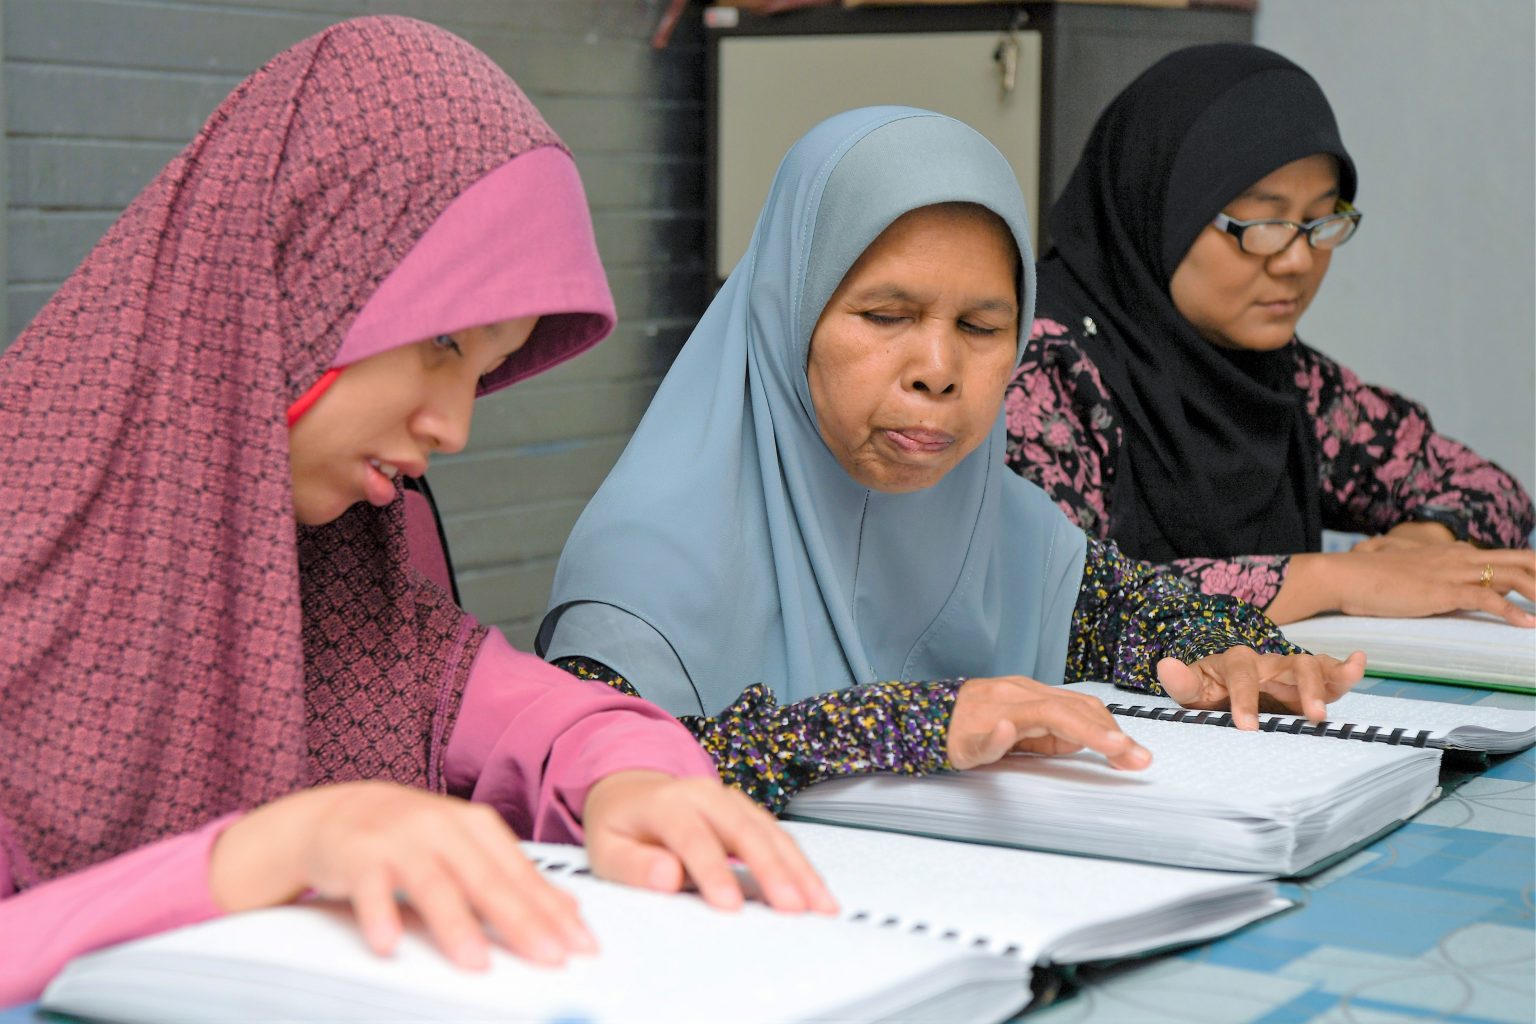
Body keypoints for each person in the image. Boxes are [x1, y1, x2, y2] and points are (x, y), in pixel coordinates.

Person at [0, 17, 831, 1007]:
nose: (454, 428)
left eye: (482, 374)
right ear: (304, 268)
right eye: (443, 342)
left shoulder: (339, 581)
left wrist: (635, 781)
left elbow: (555, 720)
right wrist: (260, 857)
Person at [537, 106, 1365, 814]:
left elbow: (1134, 611)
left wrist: (1229, 651)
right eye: (885, 315)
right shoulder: (645, 567)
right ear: (788, 315)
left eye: (980, 328)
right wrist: (910, 724)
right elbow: (589, 777)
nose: (938, 370)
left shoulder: (999, 522)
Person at [1002, 43, 1535, 626]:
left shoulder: (1286, 379)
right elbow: (1066, 593)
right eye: (1262, 224)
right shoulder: (1040, 364)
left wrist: (1421, 546)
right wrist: (1335, 580)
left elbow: (1488, 488)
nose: (1297, 261)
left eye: (1320, 220)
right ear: (1157, 209)